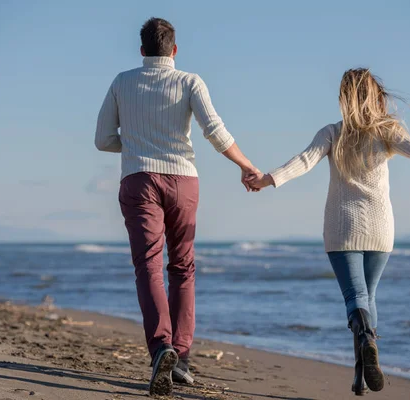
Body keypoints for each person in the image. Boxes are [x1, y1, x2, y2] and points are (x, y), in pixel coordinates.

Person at [246, 68, 410, 396]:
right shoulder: (387, 131)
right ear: (374, 97)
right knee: (367, 298)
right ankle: (361, 373)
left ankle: (367, 339)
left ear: (344, 99)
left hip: (342, 229)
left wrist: (266, 179)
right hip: (381, 230)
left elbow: (302, 161)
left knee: (356, 300)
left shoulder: (332, 132)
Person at [94, 17, 259, 396]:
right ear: (174, 50)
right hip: (183, 181)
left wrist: (137, 144)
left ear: (141, 51)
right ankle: (181, 359)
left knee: (148, 265)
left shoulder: (122, 81)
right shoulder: (190, 81)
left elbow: (103, 140)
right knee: (182, 266)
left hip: (139, 180)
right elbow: (214, 131)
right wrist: (247, 165)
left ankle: (161, 349)